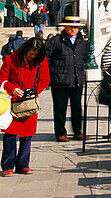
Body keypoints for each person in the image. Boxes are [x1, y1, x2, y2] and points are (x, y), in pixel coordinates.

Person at [0, 36, 51, 174]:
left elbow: (45, 79)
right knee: (10, 134)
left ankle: (23, 164)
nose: (32, 56)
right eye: (31, 54)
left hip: (29, 102)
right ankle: (8, 166)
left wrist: (35, 91)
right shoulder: (10, 59)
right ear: (25, 50)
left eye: (35, 55)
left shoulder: (41, 61)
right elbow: (2, 79)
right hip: (13, 101)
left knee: (27, 134)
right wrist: (11, 88)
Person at [45, 18, 88, 142]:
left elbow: (84, 59)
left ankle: (77, 132)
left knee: (77, 108)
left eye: (75, 27)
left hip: (76, 80)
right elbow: (47, 59)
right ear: (65, 27)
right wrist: (52, 74)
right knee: (60, 108)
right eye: (70, 27)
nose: (73, 29)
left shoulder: (82, 42)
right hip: (60, 80)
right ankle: (60, 133)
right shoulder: (56, 41)